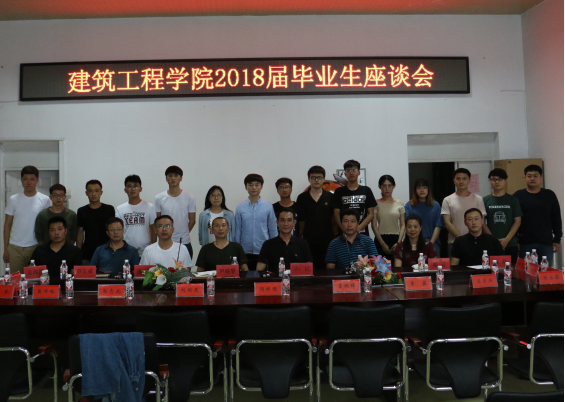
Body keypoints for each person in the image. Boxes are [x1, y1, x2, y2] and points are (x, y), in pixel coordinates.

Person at [3, 166, 52, 273]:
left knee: (34, 279)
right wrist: (6, 249)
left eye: (32, 179)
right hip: (15, 247)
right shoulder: (13, 199)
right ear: (21, 180)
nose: (28, 182)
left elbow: (49, 225)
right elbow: (7, 225)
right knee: (16, 278)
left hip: (35, 246)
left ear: (37, 180)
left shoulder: (45, 200)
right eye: (25, 179)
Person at [514, 165, 562, 266]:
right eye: (529, 176)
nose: (532, 178)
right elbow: (513, 219)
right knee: (526, 272)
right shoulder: (518, 195)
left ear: (541, 177)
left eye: (535, 176)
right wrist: (516, 240)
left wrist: (557, 239)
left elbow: (556, 218)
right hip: (525, 242)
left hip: (546, 242)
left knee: (545, 271)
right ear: (525, 177)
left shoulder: (549, 195)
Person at [234, 174, 277, 270]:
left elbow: (272, 229)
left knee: (263, 277)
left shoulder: (268, 206)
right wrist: (237, 250)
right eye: (250, 185)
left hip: (264, 250)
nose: (254, 187)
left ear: (261, 187)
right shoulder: (240, 207)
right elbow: (238, 230)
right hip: (245, 251)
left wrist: (274, 248)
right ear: (246, 187)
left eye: (257, 185)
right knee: (246, 277)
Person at [296, 166, 335, 270]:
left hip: (327, 238)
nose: (316, 180)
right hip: (308, 239)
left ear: (323, 179)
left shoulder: (331, 197)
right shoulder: (302, 198)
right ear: (309, 179)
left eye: (319, 177)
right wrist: (299, 237)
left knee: (327, 267)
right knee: (310, 267)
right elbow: (301, 220)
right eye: (313, 177)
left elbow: (335, 218)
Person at [441, 168, 487, 256]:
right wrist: (462, 240)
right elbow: (447, 223)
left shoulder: (478, 199)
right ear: (454, 181)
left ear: (469, 180)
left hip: (476, 241)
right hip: (454, 242)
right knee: (455, 265)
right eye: (458, 179)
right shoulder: (447, 200)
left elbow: (482, 221)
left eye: (464, 178)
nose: (461, 181)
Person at [155, 166, 197, 259]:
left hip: (184, 241)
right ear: (166, 178)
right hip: (165, 241)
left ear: (181, 178)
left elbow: (192, 221)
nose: (173, 178)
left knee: (184, 268)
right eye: (170, 175)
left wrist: (183, 232)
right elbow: (158, 221)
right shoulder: (159, 198)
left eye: (176, 175)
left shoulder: (190, 197)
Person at [483, 168, 523, 264]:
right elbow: (482, 222)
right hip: (491, 243)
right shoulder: (485, 200)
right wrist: (493, 239)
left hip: (510, 243)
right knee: (492, 269)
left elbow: (517, 221)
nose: (496, 182)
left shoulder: (513, 199)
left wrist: (507, 239)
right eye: (493, 179)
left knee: (510, 270)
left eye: (499, 179)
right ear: (490, 181)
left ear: (505, 181)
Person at [257, 208, 313, 272]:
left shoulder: (303, 243)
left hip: (297, 278)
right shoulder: (268, 244)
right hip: (275, 278)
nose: (286, 224)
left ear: (294, 223)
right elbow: (260, 268)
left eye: (289, 220)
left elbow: (308, 268)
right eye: (282, 220)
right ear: (277, 223)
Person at [332, 160, 377, 237]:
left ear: (359, 172)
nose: (351, 173)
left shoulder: (366, 190)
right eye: (348, 170)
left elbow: (371, 214)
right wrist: (344, 229)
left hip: (362, 233)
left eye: (354, 170)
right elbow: (336, 214)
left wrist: (358, 228)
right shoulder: (339, 191)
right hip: (344, 234)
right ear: (345, 173)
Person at [115, 175, 157, 257]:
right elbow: (118, 230)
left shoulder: (149, 207)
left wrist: (153, 248)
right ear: (125, 190)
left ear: (140, 189)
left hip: (146, 251)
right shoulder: (120, 209)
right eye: (129, 186)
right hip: (126, 250)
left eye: (135, 186)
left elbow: (153, 230)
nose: (132, 189)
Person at [77, 180, 115, 265]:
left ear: (101, 192)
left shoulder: (109, 209)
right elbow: (80, 232)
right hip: (87, 252)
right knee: (87, 273)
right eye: (90, 191)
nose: (93, 194)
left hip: (107, 251)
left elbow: (113, 230)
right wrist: (78, 252)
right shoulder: (82, 211)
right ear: (86, 193)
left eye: (96, 191)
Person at [404, 178, 442, 257]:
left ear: (428, 190)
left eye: (424, 187)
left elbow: (438, 226)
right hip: (413, 243)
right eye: (419, 188)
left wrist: (430, 244)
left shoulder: (435, 205)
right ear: (415, 190)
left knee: (433, 264)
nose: (422, 190)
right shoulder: (409, 205)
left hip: (432, 242)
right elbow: (407, 225)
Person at [372, 175, 405, 261]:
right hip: (380, 239)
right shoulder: (376, 203)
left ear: (394, 186)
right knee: (380, 267)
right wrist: (382, 244)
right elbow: (374, 225)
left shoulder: (399, 203)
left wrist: (399, 242)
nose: (387, 188)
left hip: (396, 239)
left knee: (397, 266)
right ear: (380, 186)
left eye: (389, 185)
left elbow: (403, 225)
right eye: (384, 185)